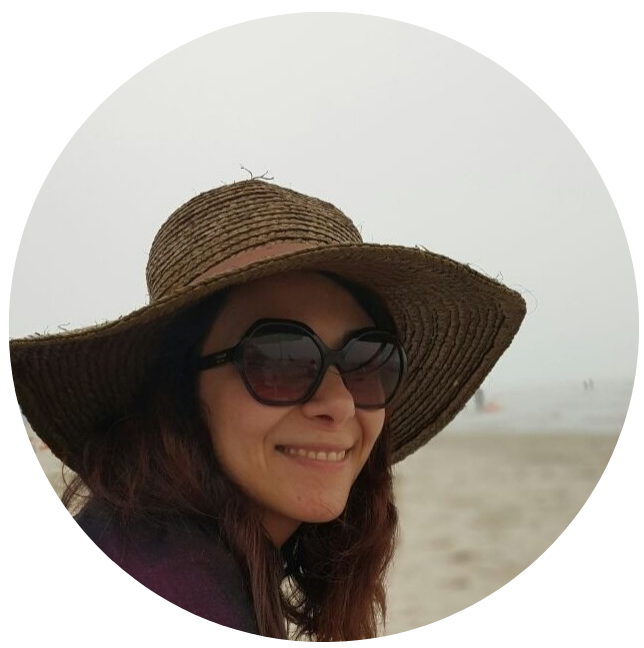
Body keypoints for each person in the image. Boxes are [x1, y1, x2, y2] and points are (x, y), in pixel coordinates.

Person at [9, 180, 526, 640]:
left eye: (367, 361)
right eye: (282, 359)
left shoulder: (155, 547)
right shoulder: (172, 587)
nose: (340, 403)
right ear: (178, 390)